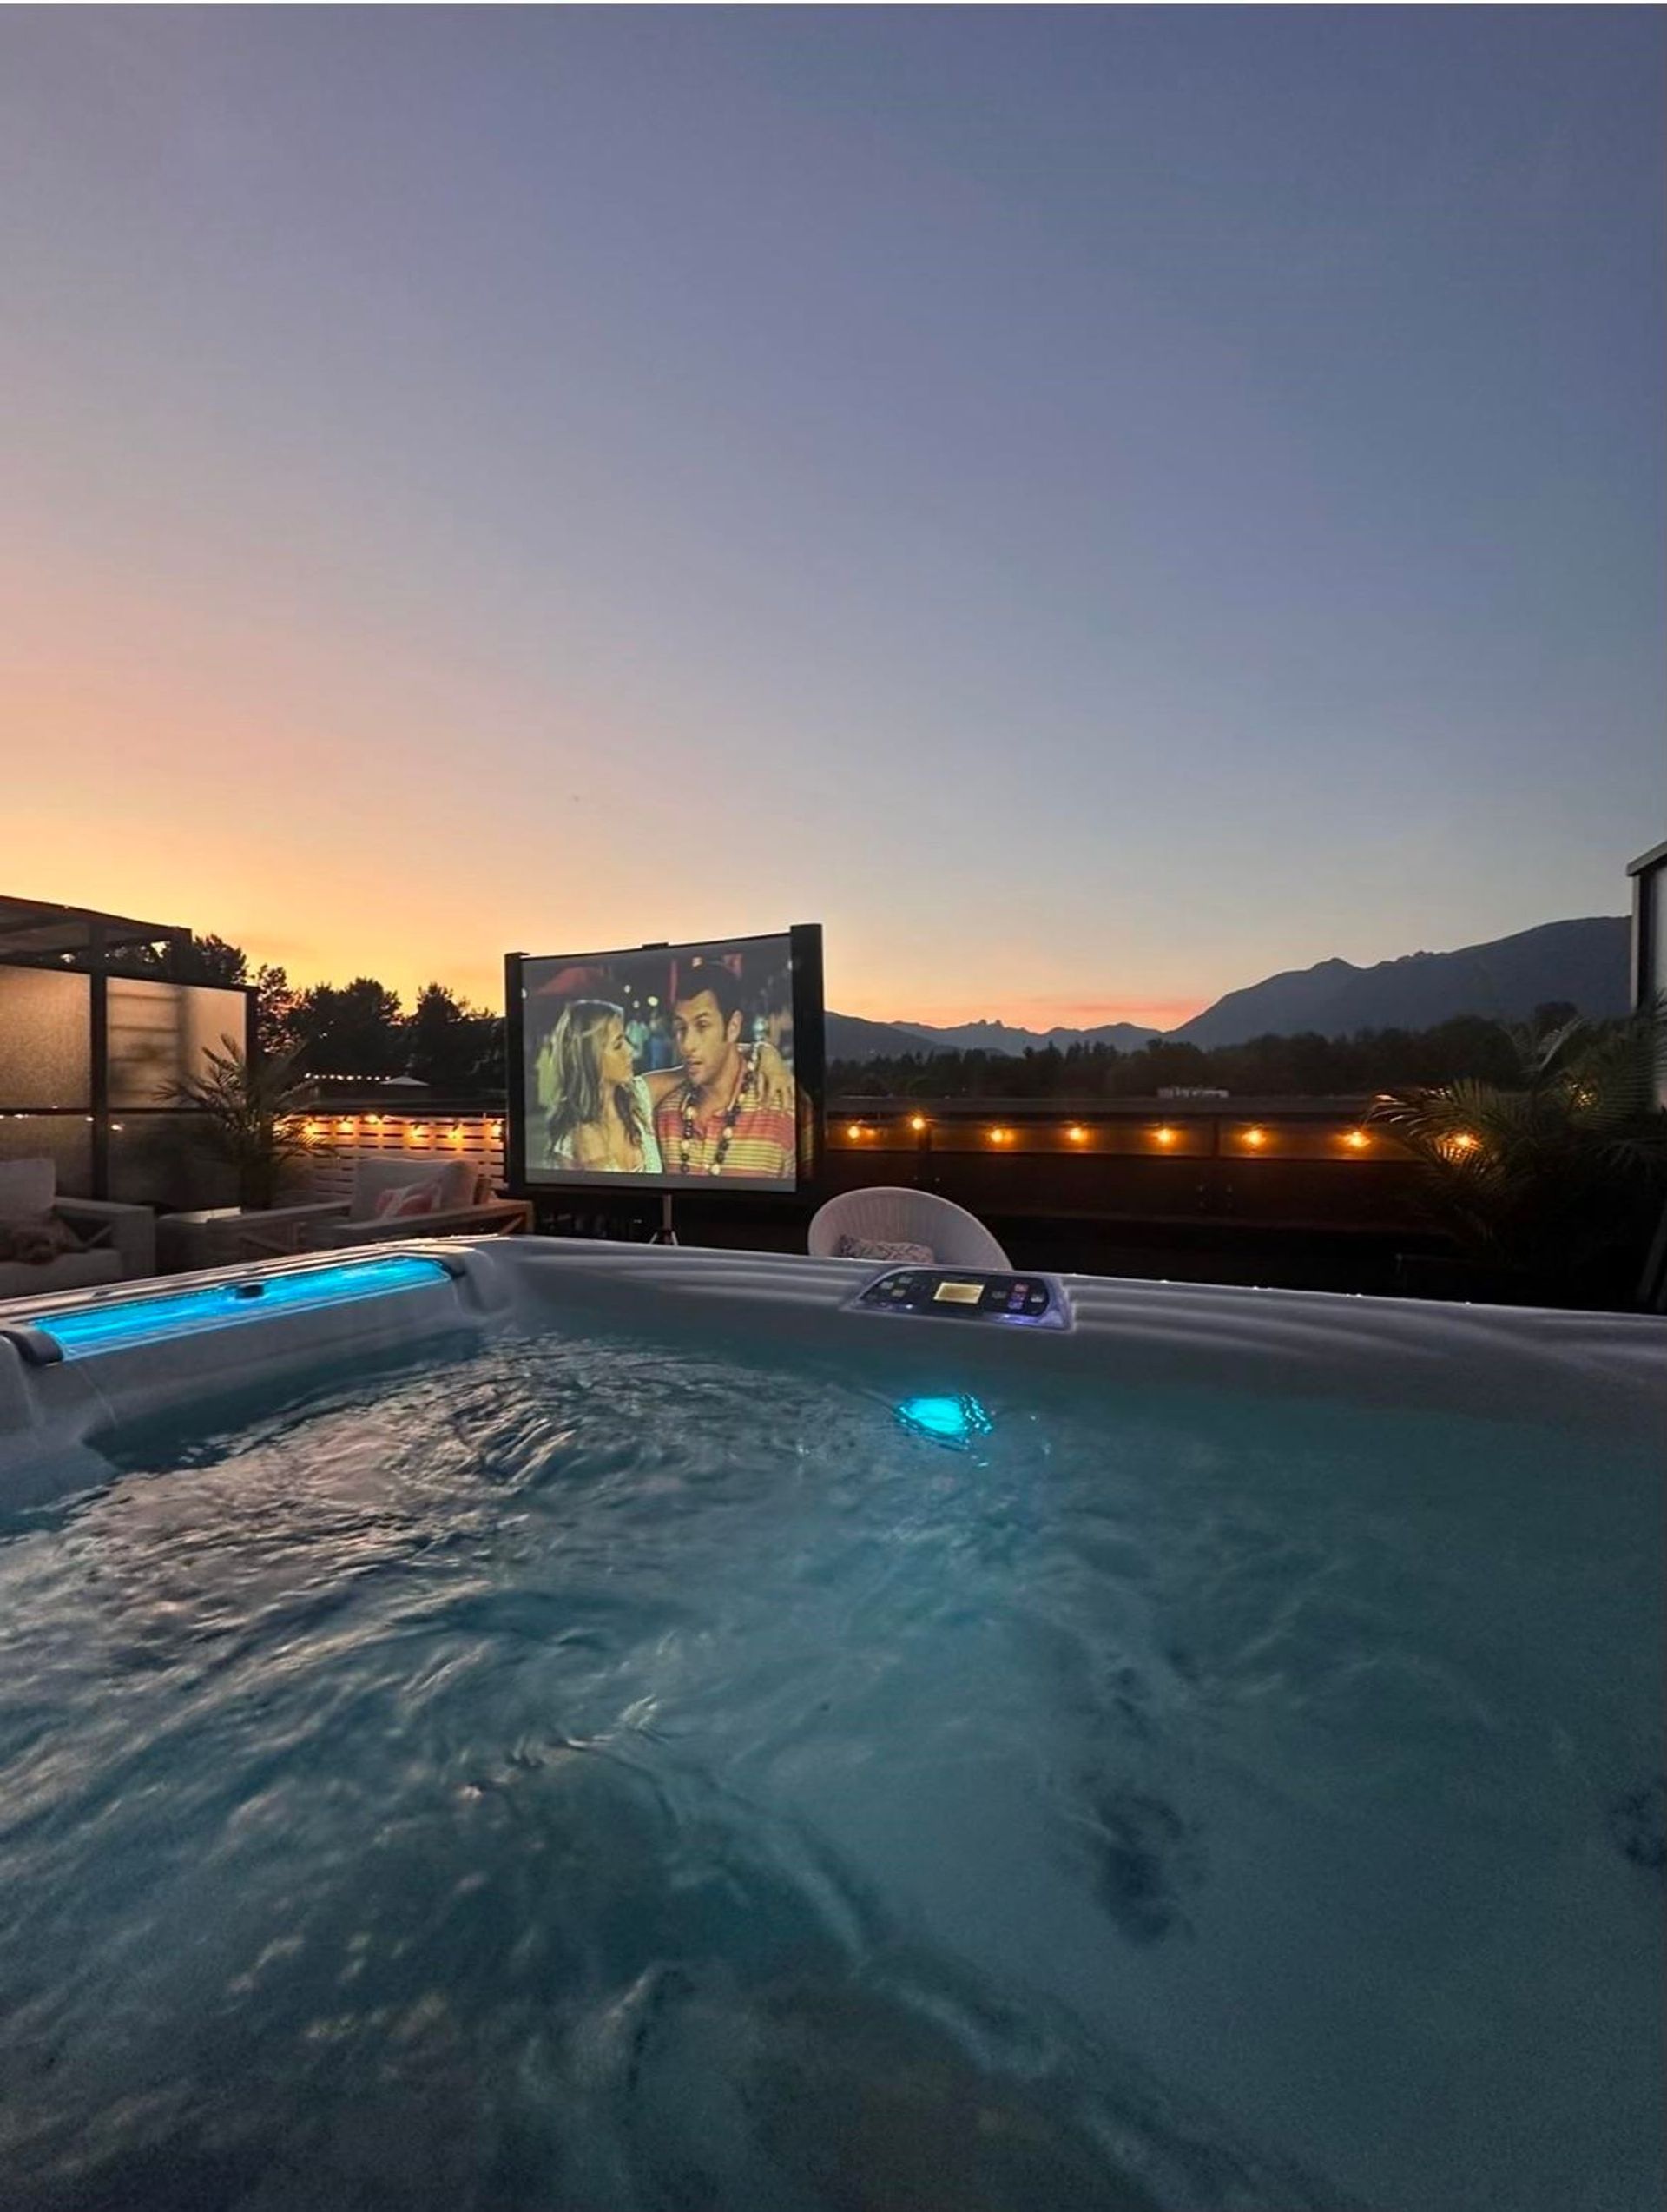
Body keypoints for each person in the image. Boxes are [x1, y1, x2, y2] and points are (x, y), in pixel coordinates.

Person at [541, 991, 794, 1176]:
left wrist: (765, 1052)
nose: (631, 1050)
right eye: (618, 1044)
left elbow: (709, 1062)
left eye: (626, 1039)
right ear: (591, 1057)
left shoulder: (638, 1097)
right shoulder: (567, 1143)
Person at [655, 963, 798, 1179]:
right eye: (680, 1028)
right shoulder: (666, 1115)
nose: (686, 1045)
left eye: (702, 1026)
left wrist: (766, 1051)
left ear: (733, 1027)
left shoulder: (783, 1106)